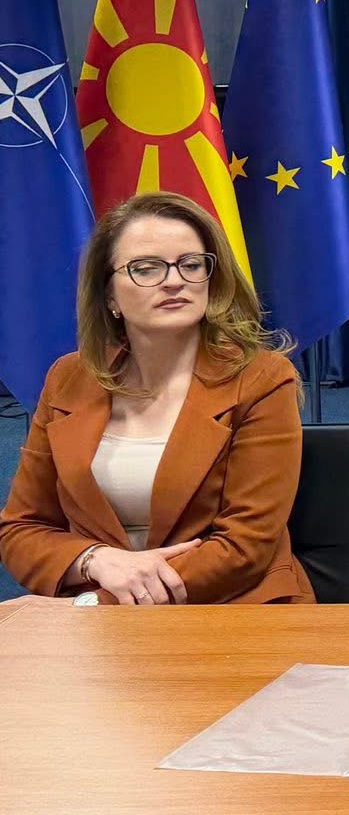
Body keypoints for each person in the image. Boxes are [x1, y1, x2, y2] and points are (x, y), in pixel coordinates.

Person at [0, 192, 314, 604]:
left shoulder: (262, 378)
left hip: (232, 607)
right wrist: (94, 560)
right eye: (146, 268)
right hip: (93, 618)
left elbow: (245, 548)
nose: (174, 280)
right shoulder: (68, 377)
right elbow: (21, 529)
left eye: (191, 264)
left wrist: (99, 605)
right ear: (109, 295)